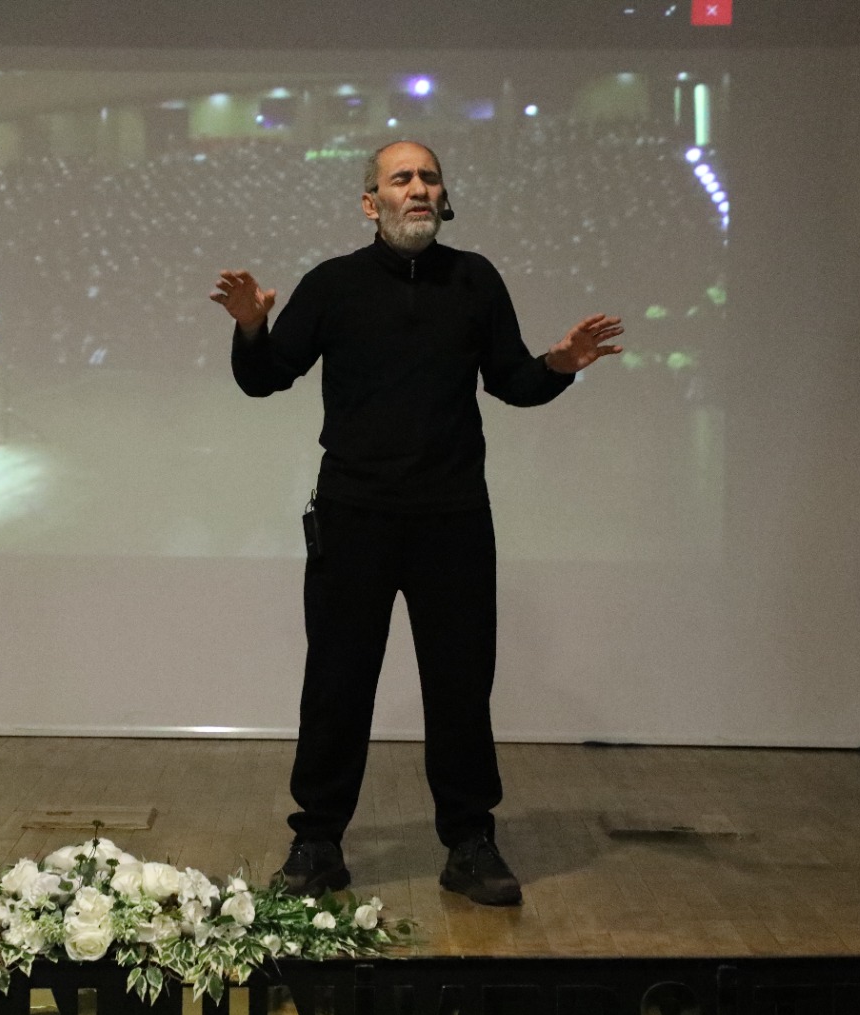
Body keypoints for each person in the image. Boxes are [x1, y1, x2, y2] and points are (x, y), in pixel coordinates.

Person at [211, 141, 623, 906]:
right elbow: (265, 378)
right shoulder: (333, 284)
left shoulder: (475, 279)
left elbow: (513, 381)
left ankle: (469, 842)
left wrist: (560, 365)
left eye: (430, 177)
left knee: (460, 686)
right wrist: (250, 329)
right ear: (371, 203)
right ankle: (317, 842)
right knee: (337, 684)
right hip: (353, 516)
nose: (419, 188)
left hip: (452, 518)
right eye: (401, 178)